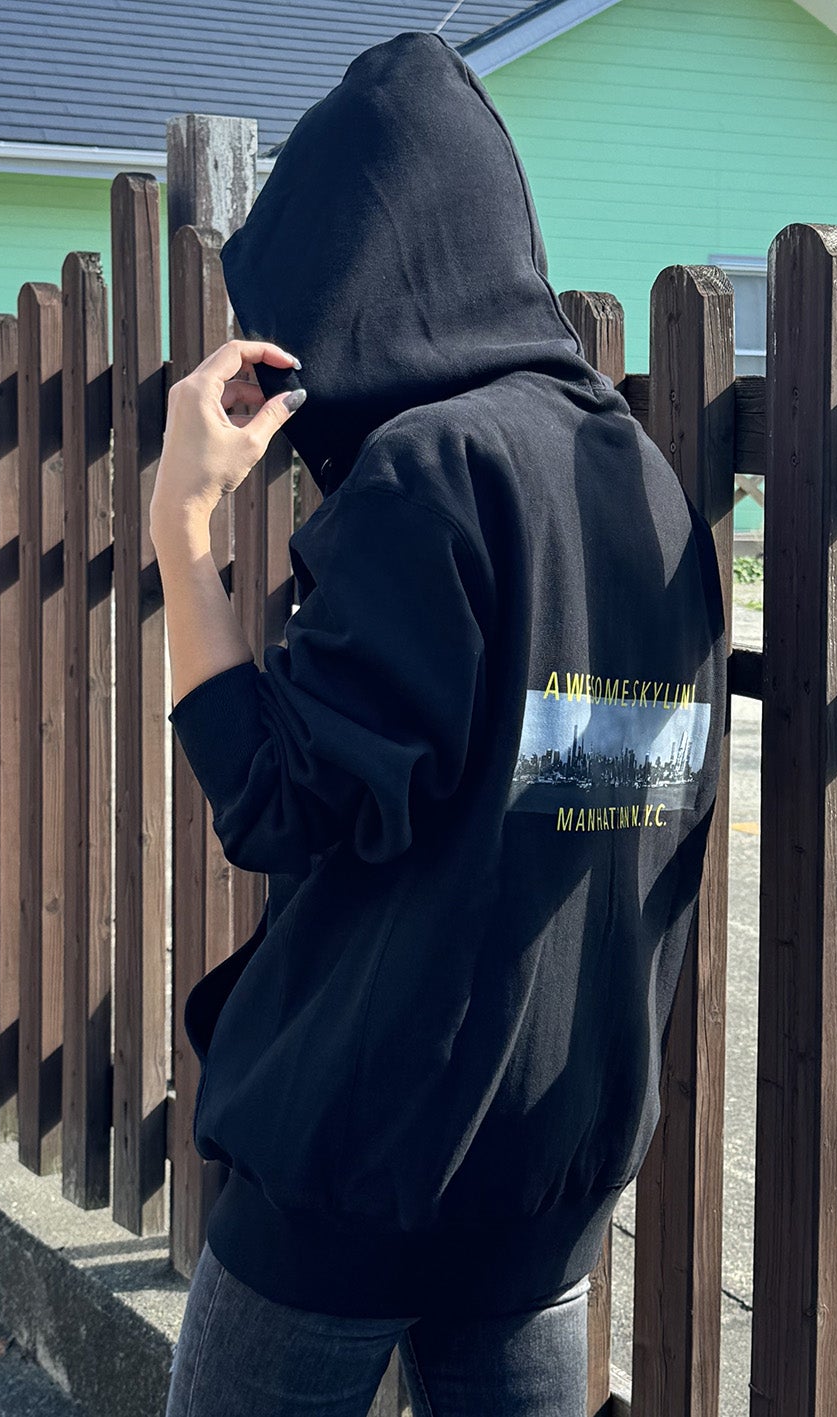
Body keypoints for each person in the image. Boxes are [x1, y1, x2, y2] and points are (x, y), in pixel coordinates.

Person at [152, 27, 727, 1417]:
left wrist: (183, 522)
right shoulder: (645, 480)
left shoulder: (430, 469)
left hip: (363, 1159)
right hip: (546, 1166)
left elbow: (280, 799)